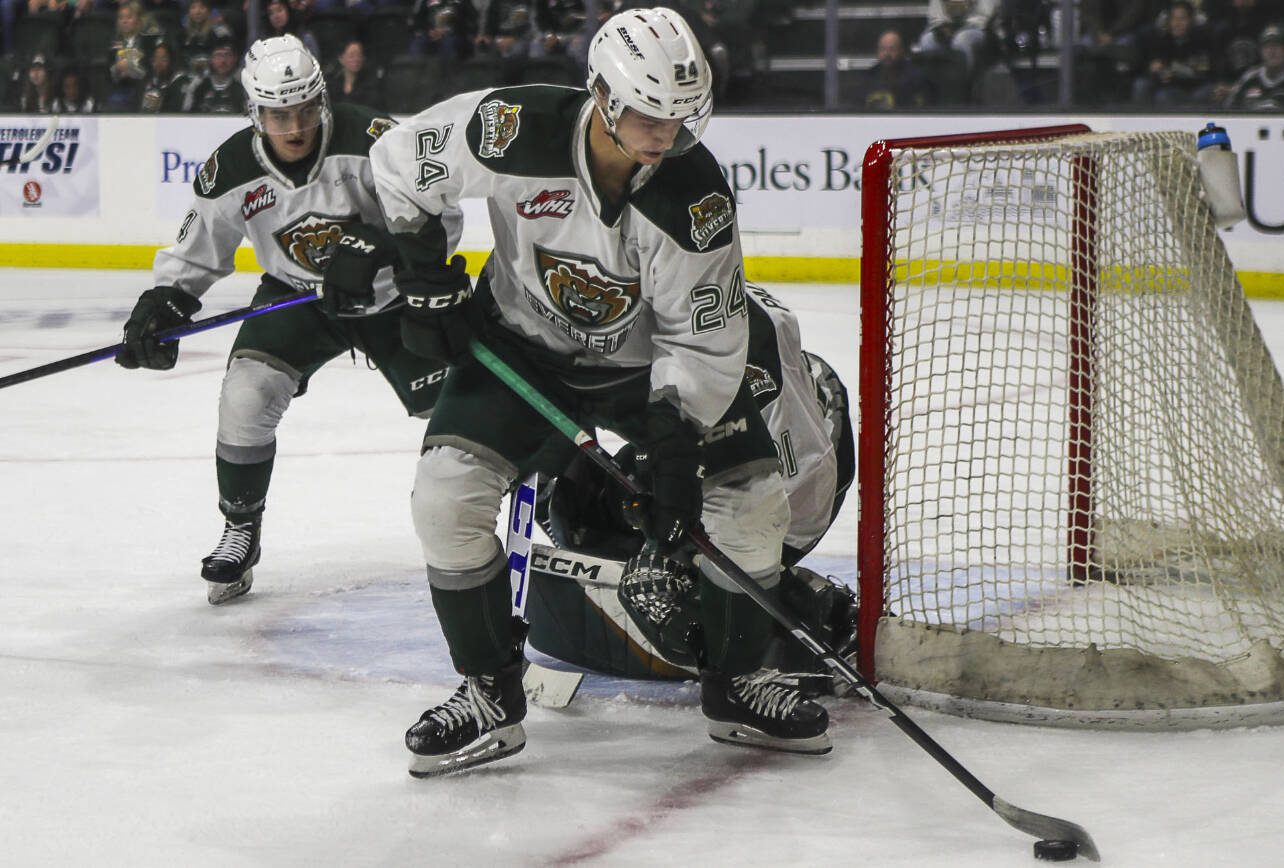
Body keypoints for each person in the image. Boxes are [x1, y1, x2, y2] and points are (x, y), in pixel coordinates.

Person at [368, 5, 832, 778]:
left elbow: (703, 334)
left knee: (749, 497)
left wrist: (676, 441)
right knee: (445, 499)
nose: (664, 135)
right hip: (519, 353)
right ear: (603, 95)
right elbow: (397, 159)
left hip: (642, 372)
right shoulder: (513, 129)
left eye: (681, 118)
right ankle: (488, 693)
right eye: (649, 114)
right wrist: (424, 276)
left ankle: (739, 684)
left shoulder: (695, 194)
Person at [114, 34, 445, 605]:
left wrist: (381, 250)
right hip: (296, 299)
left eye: (303, 110)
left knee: (456, 410)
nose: (293, 127)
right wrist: (163, 303)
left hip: (392, 302)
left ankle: (515, 514)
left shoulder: (376, 141)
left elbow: (439, 219)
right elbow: (196, 253)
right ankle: (242, 525)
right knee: (246, 396)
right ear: (255, 112)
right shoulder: (232, 168)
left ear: (322, 101)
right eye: (277, 114)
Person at [527, 282, 858, 684]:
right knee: (572, 510)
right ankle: (737, 586)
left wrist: (673, 547)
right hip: (762, 424)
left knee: (656, 588)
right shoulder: (677, 291)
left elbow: (742, 462)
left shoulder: (716, 339)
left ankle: (807, 624)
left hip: (792, 483)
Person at [1223, 22, 1284, 109]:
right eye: (1267, 46)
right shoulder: (1249, 78)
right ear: (1260, 50)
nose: (1272, 51)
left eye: (1277, 45)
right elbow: (1229, 110)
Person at [862, 28, 930, 110]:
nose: (886, 54)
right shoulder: (868, 76)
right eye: (882, 49)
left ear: (901, 51)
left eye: (892, 49)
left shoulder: (916, 78)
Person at [184, 37, 245, 113]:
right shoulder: (198, 85)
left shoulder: (243, 86)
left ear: (235, 59)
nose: (223, 61)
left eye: (228, 55)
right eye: (218, 55)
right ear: (211, 59)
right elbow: (187, 116)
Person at [326, 40, 384, 110]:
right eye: (351, 55)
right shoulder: (332, 84)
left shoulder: (371, 84)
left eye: (359, 55)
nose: (356, 59)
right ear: (341, 59)